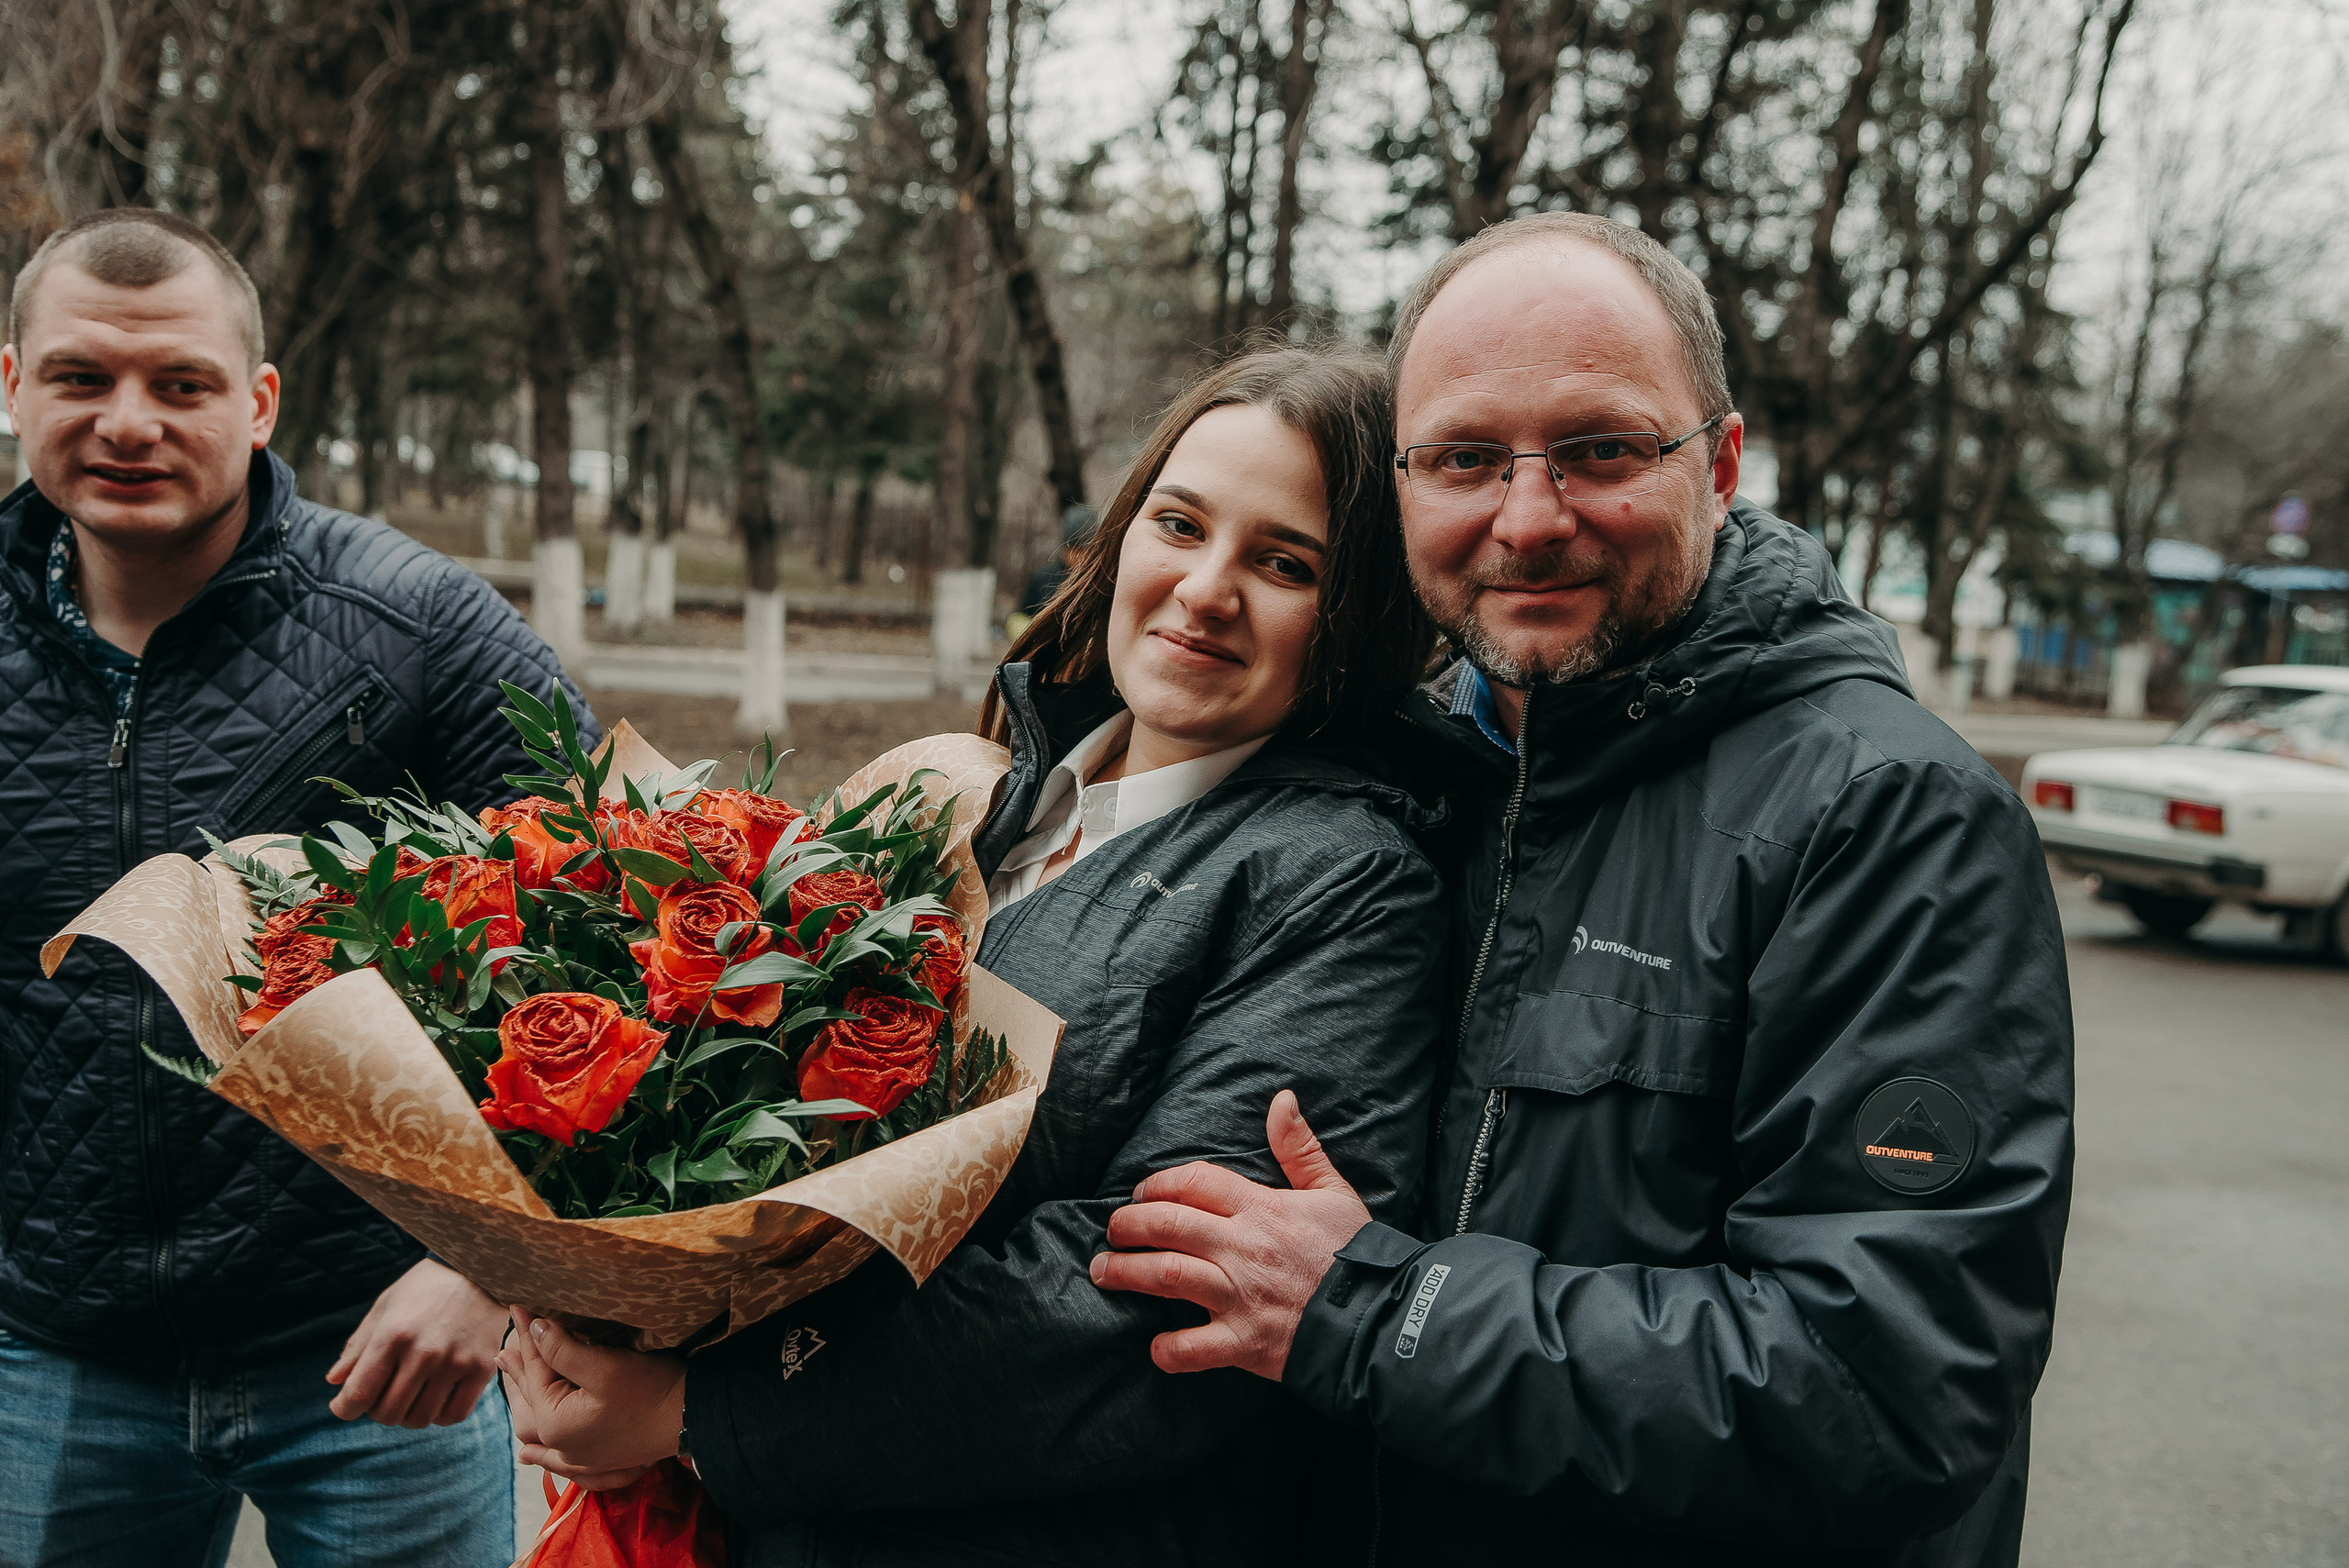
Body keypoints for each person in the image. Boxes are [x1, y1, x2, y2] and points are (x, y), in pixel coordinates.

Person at [1095, 211, 2074, 1566]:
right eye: (1464, 459)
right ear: (1403, 483)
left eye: (1602, 449)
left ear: (1719, 463)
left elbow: (1889, 1387)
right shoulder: (1402, 780)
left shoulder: (1888, 818)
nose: (1528, 517)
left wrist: (1373, 1313)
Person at [494, 347, 1449, 1565]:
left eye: (1284, 563)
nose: (1206, 588)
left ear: (1358, 610)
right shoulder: (980, 796)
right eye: (1180, 524)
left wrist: (706, 1412)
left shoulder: (1346, 881)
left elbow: (1149, 1294)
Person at [0, 207, 597, 1565]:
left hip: (382, 1343)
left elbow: (611, 938)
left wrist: (487, 1265)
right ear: (14, 386)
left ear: (259, 402)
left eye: (182, 383)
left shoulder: (422, 627)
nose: (129, 422)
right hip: (51, 1357)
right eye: (82, 377)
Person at [1006, 502, 1096, 641]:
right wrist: (1035, 639)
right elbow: (1019, 619)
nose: (1077, 557)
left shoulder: (1102, 584)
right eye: (1072, 549)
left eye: (1083, 550)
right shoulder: (1043, 579)